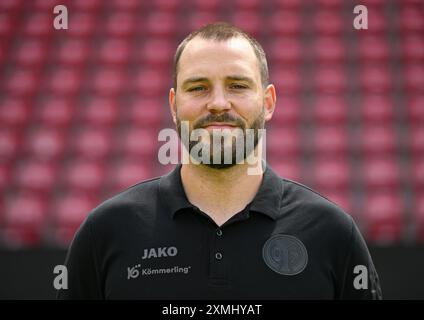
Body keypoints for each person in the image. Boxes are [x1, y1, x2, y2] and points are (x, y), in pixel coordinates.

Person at [58, 22, 382, 300]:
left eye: (237, 85)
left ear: (268, 102)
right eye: (198, 87)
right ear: (173, 105)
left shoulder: (333, 234)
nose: (218, 103)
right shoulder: (105, 232)